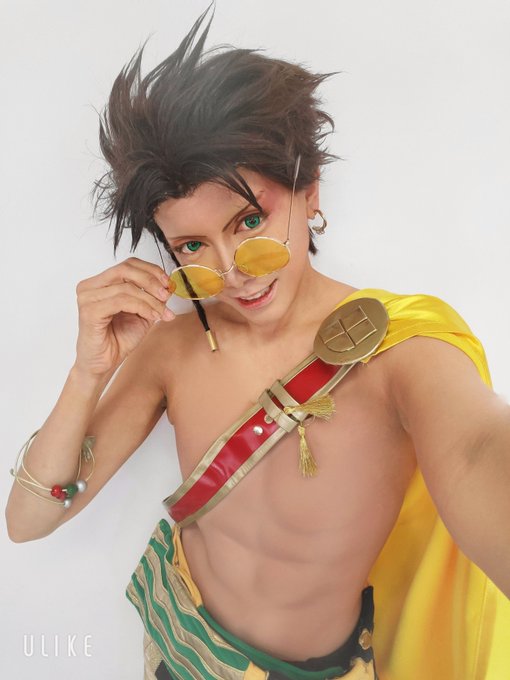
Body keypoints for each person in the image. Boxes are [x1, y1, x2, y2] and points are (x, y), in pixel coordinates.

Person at [6, 6, 510, 680]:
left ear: (310, 193)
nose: (234, 270)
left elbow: (478, 451)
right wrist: (86, 371)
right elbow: (30, 520)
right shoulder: (170, 348)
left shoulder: (402, 350)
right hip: (179, 645)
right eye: (193, 246)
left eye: (250, 222)